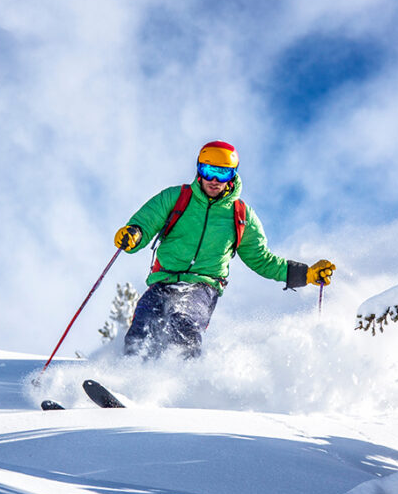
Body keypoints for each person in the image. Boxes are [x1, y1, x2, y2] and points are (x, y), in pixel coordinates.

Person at [113, 140, 335, 358]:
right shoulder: (177, 197)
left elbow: (262, 259)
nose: (214, 181)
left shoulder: (241, 216)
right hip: (163, 281)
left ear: (233, 176)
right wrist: (134, 234)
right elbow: (146, 222)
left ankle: (182, 380)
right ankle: (131, 378)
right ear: (199, 170)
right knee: (143, 324)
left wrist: (305, 274)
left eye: (223, 174)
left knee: (183, 321)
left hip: (202, 286)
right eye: (209, 171)